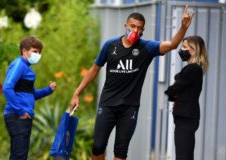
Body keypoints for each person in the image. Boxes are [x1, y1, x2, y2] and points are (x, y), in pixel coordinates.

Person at [69, 5, 194, 160]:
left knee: (120, 152)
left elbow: (172, 45)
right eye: (132, 26)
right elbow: (94, 69)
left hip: (129, 108)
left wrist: (183, 27)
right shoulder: (110, 46)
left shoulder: (146, 47)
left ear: (142, 31)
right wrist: (77, 92)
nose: (135, 31)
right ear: (125, 26)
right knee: (98, 147)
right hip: (107, 104)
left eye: (139, 28)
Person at [3, 36, 57, 159]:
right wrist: (21, 110)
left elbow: (32, 95)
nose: (38, 55)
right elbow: (7, 87)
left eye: (39, 52)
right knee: (19, 156)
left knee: (19, 155)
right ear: (24, 51)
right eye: (35, 51)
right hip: (18, 116)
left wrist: (48, 90)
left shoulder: (26, 68)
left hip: (22, 116)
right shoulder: (20, 65)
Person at [164, 36, 209, 160]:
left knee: (183, 156)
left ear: (193, 50)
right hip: (186, 117)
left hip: (186, 118)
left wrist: (169, 92)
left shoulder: (193, 69)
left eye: (184, 47)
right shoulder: (194, 69)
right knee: (185, 154)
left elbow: (177, 87)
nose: (182, 50)